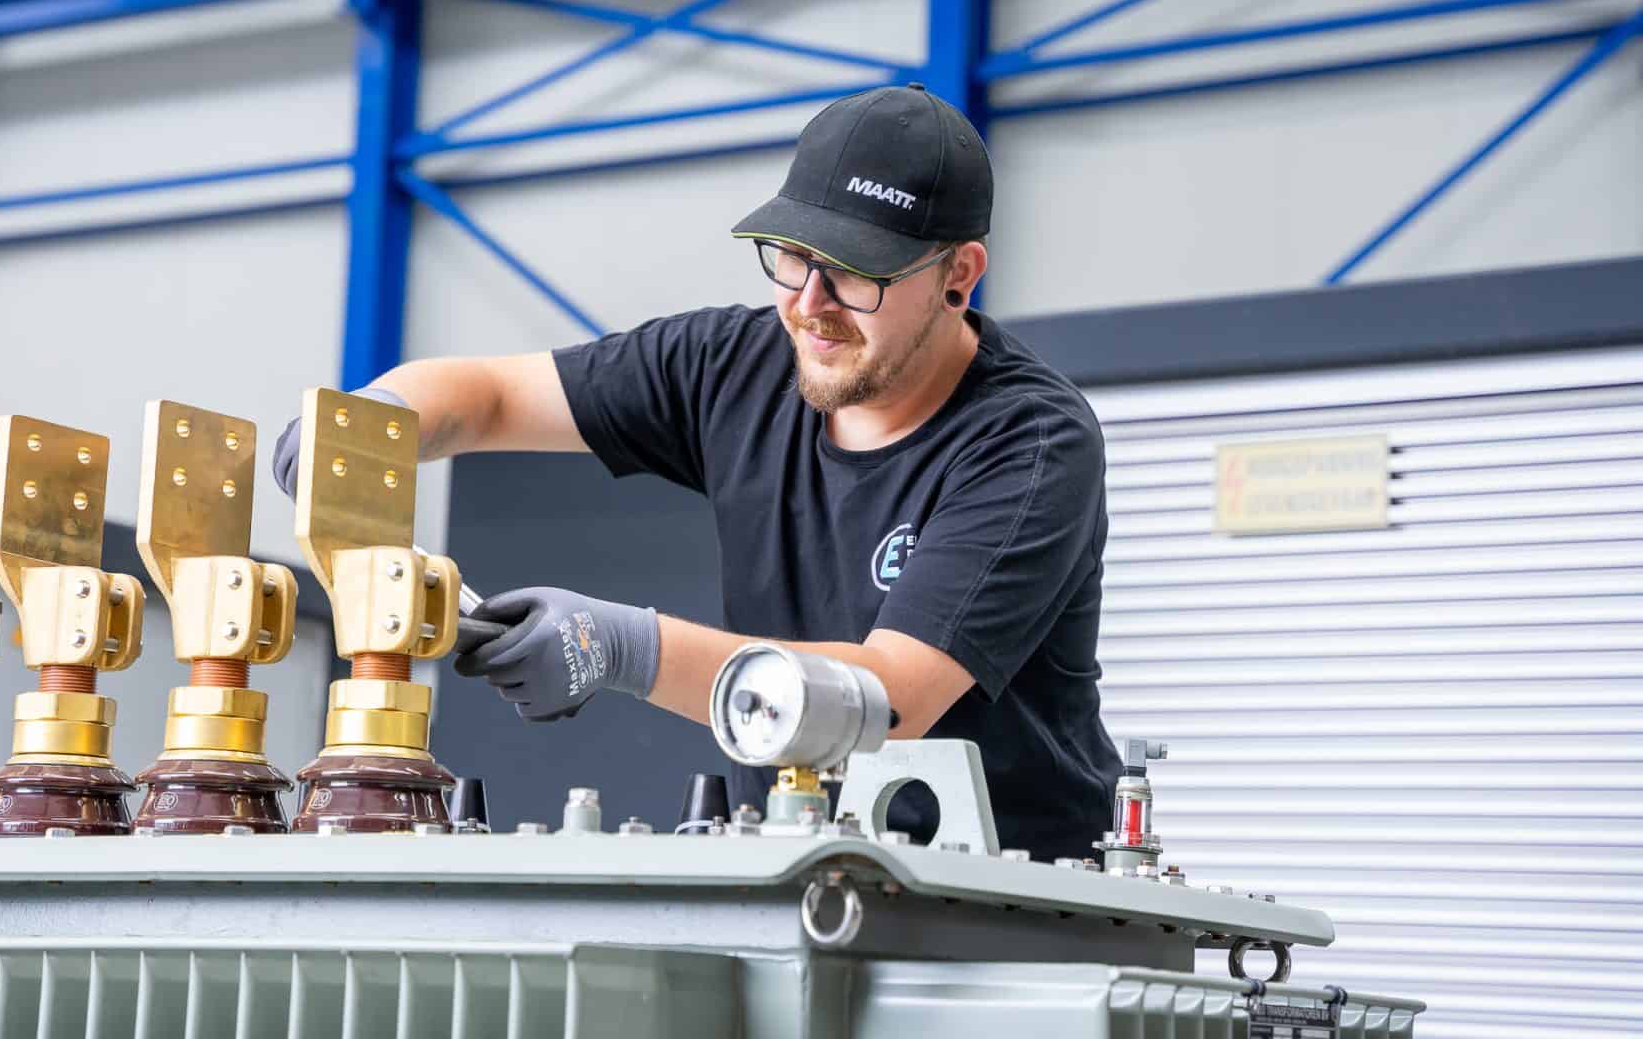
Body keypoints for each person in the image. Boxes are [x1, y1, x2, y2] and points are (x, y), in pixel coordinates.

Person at [273, 82, 1120, 859]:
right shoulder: (732, 361)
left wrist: (622, 646)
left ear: (957, 276)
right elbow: (491, 395)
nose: (809, 303)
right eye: (792, 256)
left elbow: (890, 702)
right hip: (794, 855)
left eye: (855, 272)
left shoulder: (1031, 443)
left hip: (1008, 893)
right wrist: (365, 423)